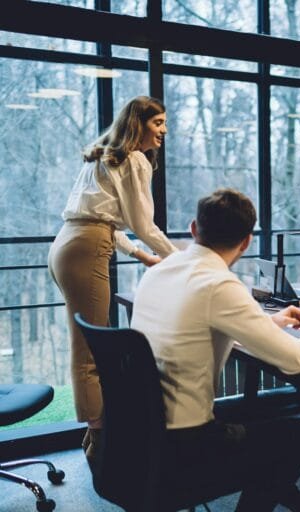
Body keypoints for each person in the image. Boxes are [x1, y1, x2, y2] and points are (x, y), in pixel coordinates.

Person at [131, 189, 300, 511]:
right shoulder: (219, 284)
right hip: (185, 444)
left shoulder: (159, 271)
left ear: (194, 229)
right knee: (296, 434)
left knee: (260, 429)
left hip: (141, 433)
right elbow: (296, 361)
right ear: (246, 242)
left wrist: (275, 322)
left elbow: (200, 328)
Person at [48, 95, 178, 462]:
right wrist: (183, 260)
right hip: (87, 248)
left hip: (67, 244)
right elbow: (143, 225)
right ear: (138, 124)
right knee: (90, 353)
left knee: (93, 341)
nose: (164, 131)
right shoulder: (134, 159)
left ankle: (97, 439)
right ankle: (103, 447)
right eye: (158, 123)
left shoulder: (104, 156)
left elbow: (100, 217)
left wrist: (141, 255)